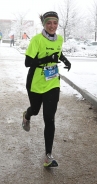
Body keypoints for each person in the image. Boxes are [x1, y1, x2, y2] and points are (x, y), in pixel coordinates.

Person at [22, 11, 71, 168]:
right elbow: (28, 62)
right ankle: (27, 114)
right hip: (35, 82)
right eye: (49, 23)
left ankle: (48, 156)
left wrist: (64, 60)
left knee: (49, 117)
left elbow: (57, 52)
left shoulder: (60, 39)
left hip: (52, 83)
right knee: (35, 110)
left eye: (55, 23)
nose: (52, 26)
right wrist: (46, 59)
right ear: (44, 24)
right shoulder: (37, 40)